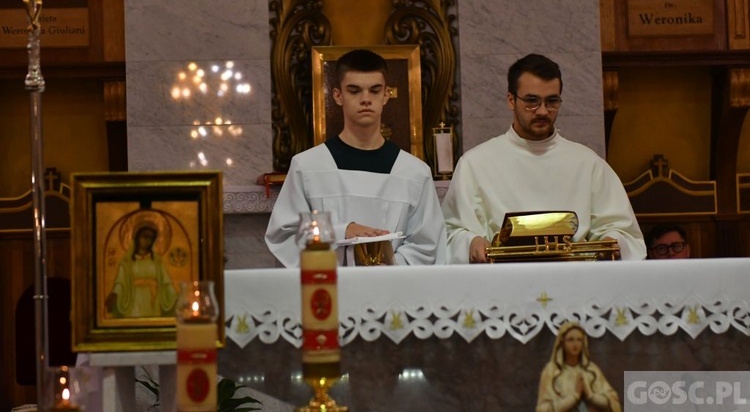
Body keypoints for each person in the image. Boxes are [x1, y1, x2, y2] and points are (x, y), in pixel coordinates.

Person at [442, 53, 646, 263]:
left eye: (552, 101)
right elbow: (451, 234)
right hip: (503, 282)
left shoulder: (587, 164)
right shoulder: (475, 164)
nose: (542, 111)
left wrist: (612, 240)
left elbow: (624, 233)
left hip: (574, 280)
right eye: (531, 101)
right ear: (511, 100)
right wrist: (471, 242)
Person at [265, 49, 447, 267]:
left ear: (386, 94)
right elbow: (284, 235)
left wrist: (391, 265)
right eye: (354, 91)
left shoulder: (414, 173)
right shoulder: (308, 167)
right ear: (338, 96)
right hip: (331, 290)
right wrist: (344, 231)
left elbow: (428, 244)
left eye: (375, 90)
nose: (366, 99)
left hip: (393, 291)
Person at [536, 321, 621, 412]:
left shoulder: (591, 369)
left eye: (579, 340)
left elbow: (613, 402)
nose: (575, 344)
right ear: (562, 343)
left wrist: (591, 396)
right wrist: (574, 398)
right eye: (570, 340)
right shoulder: (551, 370)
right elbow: (542, 409)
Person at [105, 221, 178, 318]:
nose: (147, 241)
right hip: (134, 298)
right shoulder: (127, 263)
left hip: (153, 298)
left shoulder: (157, 262)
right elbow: (120, 283)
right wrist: (115, 294)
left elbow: (166, 283)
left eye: (151, 238)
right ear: (137, 238)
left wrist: (176, 297)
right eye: (144, 237)